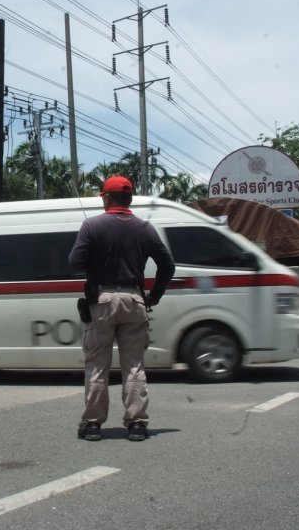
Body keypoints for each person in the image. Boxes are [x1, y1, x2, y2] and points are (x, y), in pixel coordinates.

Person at [69, 176, 175, 442]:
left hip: (102, 301)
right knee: (134, 365)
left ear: (106, 197)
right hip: (135, 301)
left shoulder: (92, 225)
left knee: (97, 365)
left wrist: (97, 257)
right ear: (129, 199)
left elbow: (75, 263)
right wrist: (155, 296)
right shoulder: (146, 228)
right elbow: (167, 265)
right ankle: (137, 424)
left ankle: (92, 424)